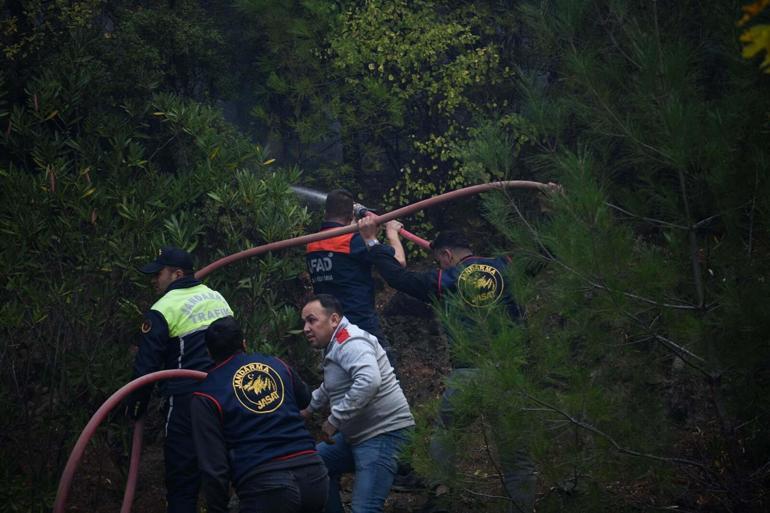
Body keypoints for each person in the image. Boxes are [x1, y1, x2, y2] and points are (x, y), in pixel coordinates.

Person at [358, 218, 536, 513]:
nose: (439, 266)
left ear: (445, 256)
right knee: (517, 457)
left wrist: (375, 240)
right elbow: (543, 251)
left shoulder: (447, 278)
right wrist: (554, 204)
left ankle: (441, 496)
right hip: (510, 376)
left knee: (446, 438)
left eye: (438, 262)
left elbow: (398, 278)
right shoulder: (506, 266)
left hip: (467, 373)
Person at [125, 246, 234, 513]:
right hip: (227, 396)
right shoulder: (216, 297)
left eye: (158, 274)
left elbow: (146, 365)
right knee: (221, 472)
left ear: (176, 274)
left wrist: (135, 404)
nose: (154, 280)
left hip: (187, 399)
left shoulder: (163, 308)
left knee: (182, 479)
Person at [190, 316, 329, 513]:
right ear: (244, 343)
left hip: (266, 486)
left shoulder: (206, 394)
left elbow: (214, 466)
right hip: (314, 475)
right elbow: (305, 398)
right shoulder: (277, 365)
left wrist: (217, 508)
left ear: (209, 353)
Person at [299, 294, 415, 513]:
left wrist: (335, 420)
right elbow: (331, 386)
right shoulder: (336, 344)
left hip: (384, 433)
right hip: (358, 436)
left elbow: (369, 381)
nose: (306, 328)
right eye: (304, 322)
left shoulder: (350, 341)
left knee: (365, 508)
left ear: (334, 319)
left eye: (311, 320)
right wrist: (307, 409)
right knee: (315, 468)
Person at [305, 189, 404, 364]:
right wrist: (391, 232)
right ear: (351, 215)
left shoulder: (313, 244)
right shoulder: (351, 242)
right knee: (387, 376)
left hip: (330, 329)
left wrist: (370, 234)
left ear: (326, 213)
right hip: (361, 326)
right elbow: (398, 261)